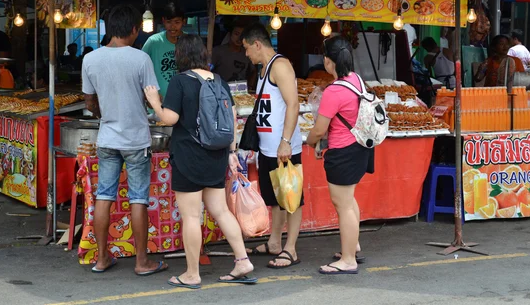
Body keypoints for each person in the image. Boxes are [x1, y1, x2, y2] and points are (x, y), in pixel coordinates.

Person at [144, 34, 256, 289]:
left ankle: (192, 274)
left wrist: (154, 102)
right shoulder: (218, 81)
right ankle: (242, 260)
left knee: (192, 216)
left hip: (189, 157)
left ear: (180, 55)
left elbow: (170, 119)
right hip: (216, 155)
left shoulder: (180, 81)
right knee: (221, 210)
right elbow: (232, 117)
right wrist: (231, 152)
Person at [81, 4, 167, 276]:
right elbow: (154, 98)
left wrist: (103, 113)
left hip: (107, 138)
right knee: (138, 198)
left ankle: (102, 258)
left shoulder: (90, 59)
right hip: (136, 139)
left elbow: (89, 101)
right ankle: (142, 262)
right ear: (133, 30)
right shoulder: (140, 59)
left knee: (104, 196)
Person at [306, 35, 373, 275]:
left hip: (343, 152)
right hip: (359, 148)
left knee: (342, 204)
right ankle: (352, 246)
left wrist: (309, 140)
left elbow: (320, 129)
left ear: (327, 61)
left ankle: (347, 260)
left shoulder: (334, 91)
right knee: (349, 199)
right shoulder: (356, 80)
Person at [241, 23, 303, 269]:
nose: (246, 54)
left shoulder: (281, 66)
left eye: (247, 48)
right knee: (276, 199)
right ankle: (274, 242)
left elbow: (293, 105)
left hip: (283, 147)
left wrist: (285, 141)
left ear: (257, 44)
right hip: (268, 148)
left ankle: (291, 249)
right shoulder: (265, 69)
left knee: (292, 199)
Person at [142, 2, 185, 98]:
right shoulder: (154, 41)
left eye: (177, 22)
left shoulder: (190, 42)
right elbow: (139, 68)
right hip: (158, 104)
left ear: (184, 21)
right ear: (163, 21)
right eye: (169, 22)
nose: (173, 26)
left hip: (183, 103)